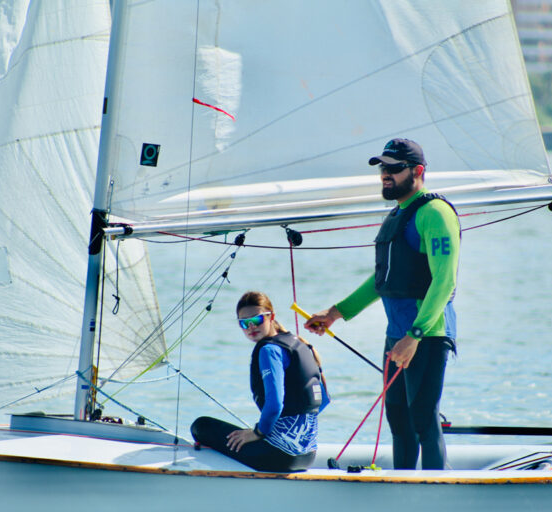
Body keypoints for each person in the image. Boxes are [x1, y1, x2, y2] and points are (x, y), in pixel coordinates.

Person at [304, 138, 459, 470]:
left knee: (422, 418)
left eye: (394, 168)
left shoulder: (435, 213)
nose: (385, 174)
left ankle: (436, 487)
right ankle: (403, 485)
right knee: (399, 421)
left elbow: (444, 281)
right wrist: (335, 313)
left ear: (418, 171)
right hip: (398, 334)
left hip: (427, 335)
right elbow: (383, 279)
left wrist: (415, 335)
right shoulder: (397, 215)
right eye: (382, 168)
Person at [191, 291, 329, 472]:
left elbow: (274, 405)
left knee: (201, 426)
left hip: (278, 455)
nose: (251, 327)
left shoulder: (269, 350)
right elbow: (323, 401)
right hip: (308, 455)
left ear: (271, 317)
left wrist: (258, 433)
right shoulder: (300, 344)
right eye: (244, 323)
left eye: (257, 320)